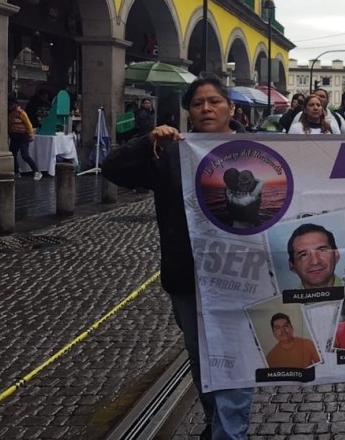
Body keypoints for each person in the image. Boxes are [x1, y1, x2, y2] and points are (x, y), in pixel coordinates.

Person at [101, 76, 254, 439]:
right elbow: (113, 168)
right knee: (202, 359)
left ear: (230, 108)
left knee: (236, 356)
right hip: (187, 274)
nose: (206, 108)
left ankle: (229, 433)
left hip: (243, 275)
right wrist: (148, 141)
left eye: (214, 101)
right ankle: (214, 420)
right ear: (189, 110)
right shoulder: (170, 152)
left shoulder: (255, 148)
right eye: (199, 103)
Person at [286, 223, 342, 290]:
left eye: (322, 250)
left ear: (336, 255)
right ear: (292, 265)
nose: (315, 262)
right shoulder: (280, 300)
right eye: (304, 254)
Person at [8, 98, 41, 180]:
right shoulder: (10, 113)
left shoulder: (21, 113)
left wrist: (30, 135)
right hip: (14, 136)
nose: (9, 106)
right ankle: (16, 172)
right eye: (9, 104)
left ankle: (37, 171)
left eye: (11, 104)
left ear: (15, 104)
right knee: (13, 154)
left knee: (25, 155)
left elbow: (28, 124)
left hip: (22, 136)